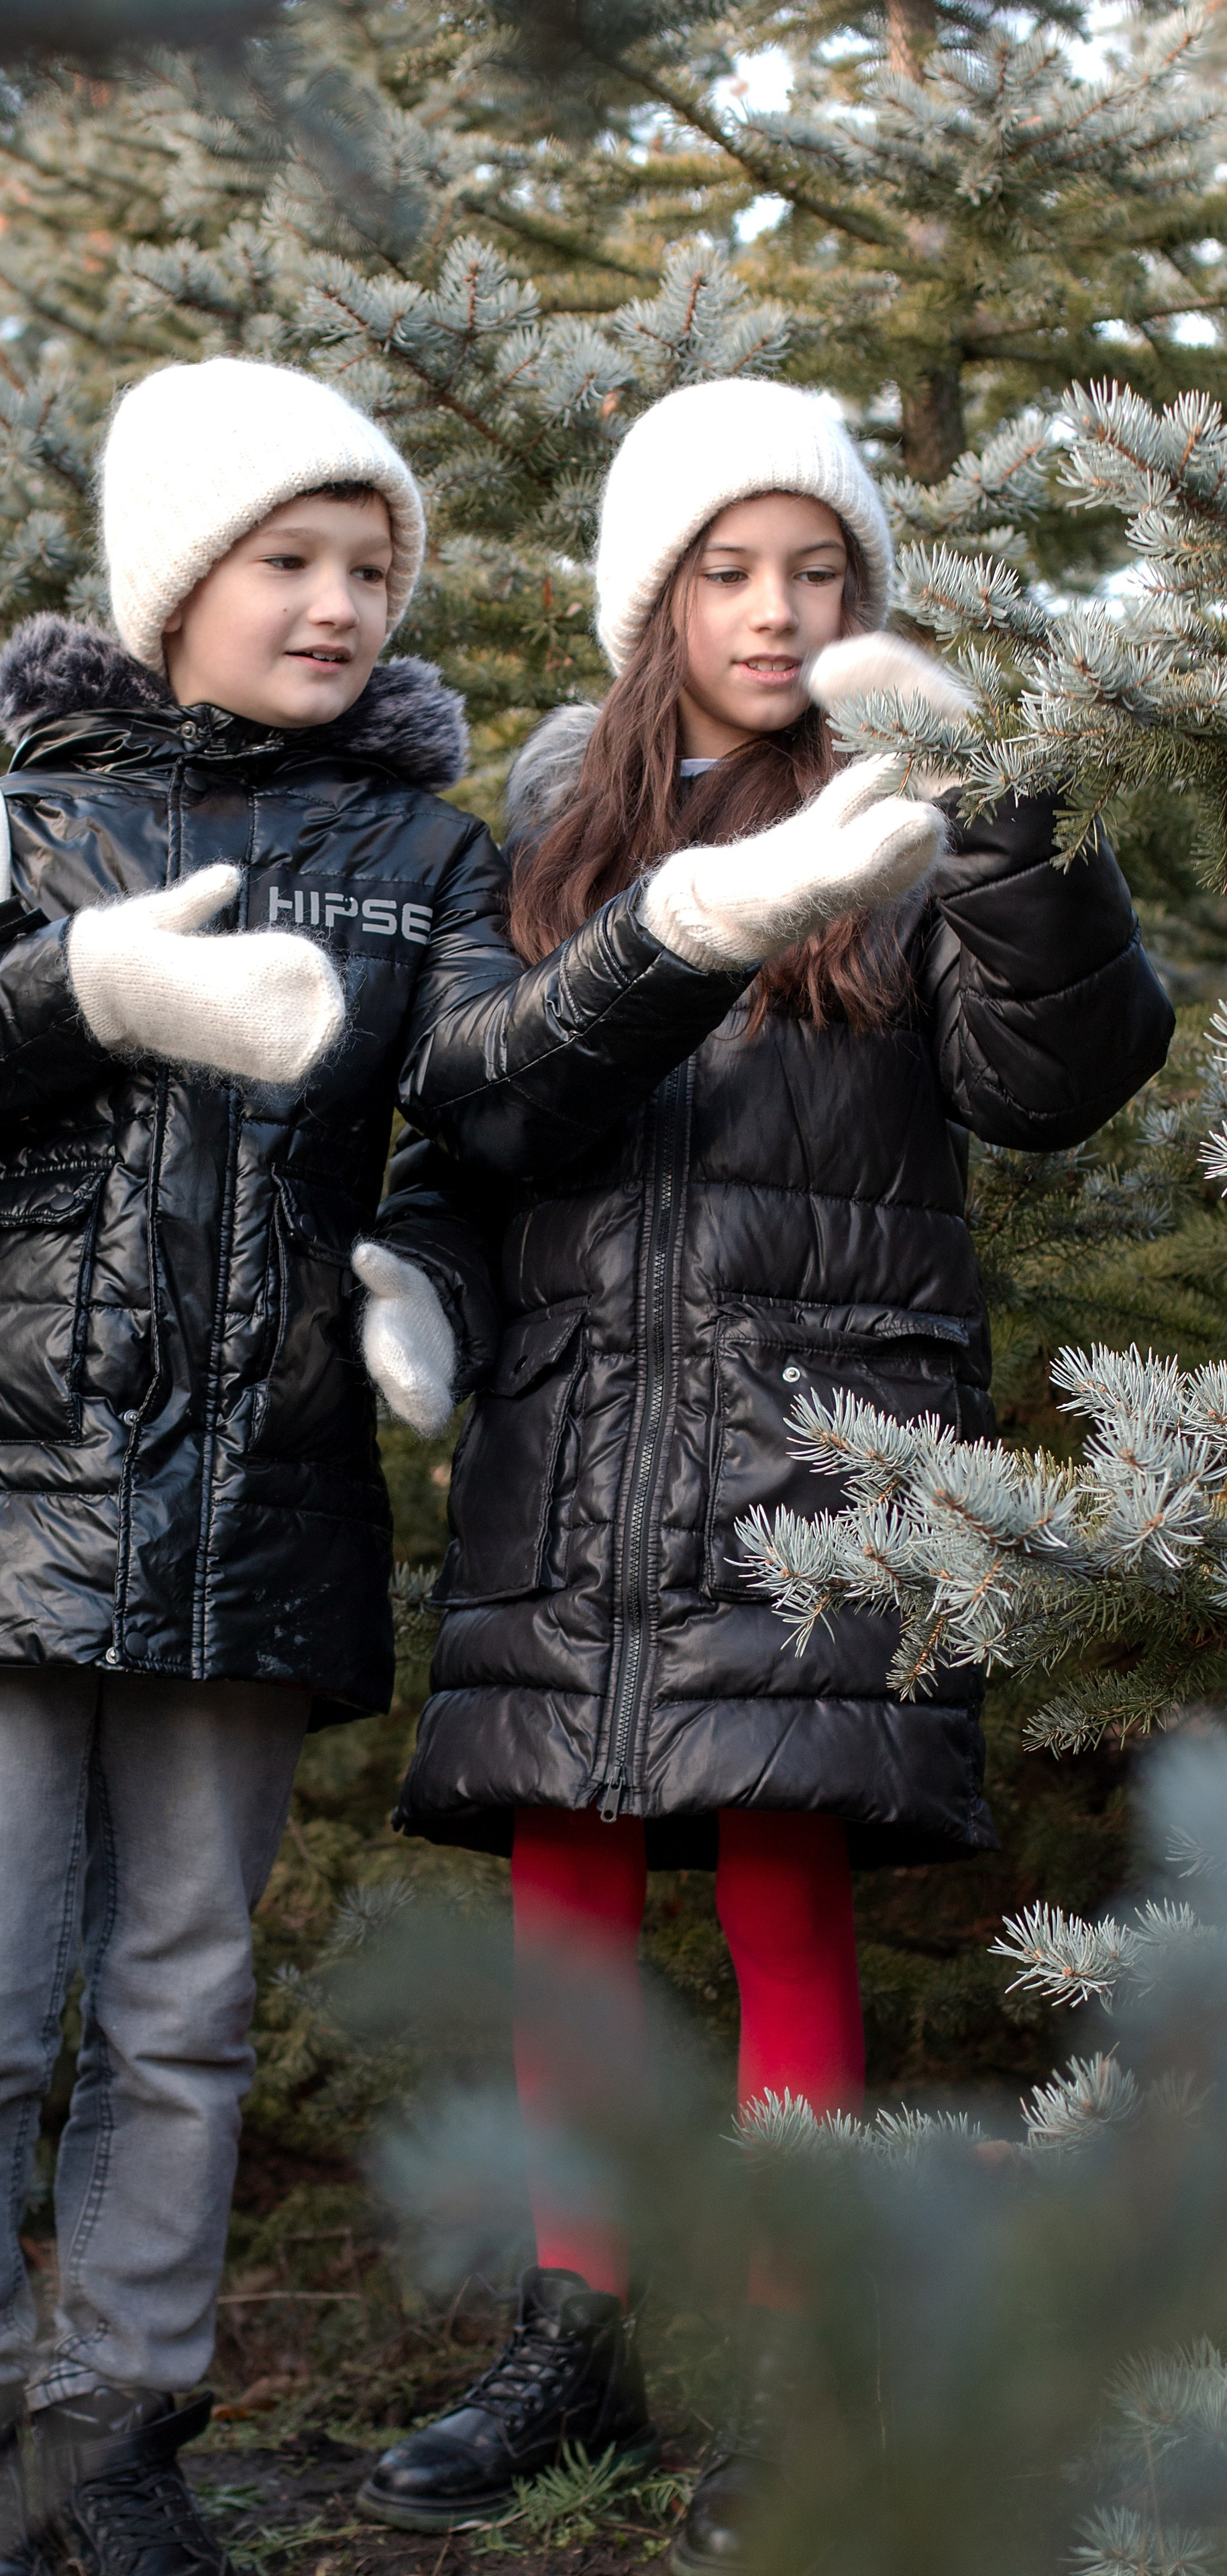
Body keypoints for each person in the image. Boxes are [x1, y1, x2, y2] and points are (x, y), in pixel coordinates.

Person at [0, 358, 936, 2576]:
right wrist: (82, 989)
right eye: (288, 562)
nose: (335, 606)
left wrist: (410, 1269)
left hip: (260, 1510)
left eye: (370, 569)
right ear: (181, 578)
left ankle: (117, 2438)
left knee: (186, 2002)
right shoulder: (2, 836)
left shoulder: (419, 857)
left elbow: (475, 1118)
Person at [356, 376, 1175, 2559]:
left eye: (819, 573)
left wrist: (1009, 822)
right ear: (653, 601)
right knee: (572, 1905)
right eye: (729, 572)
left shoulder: (914, 823)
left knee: (784, 1876)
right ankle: (572, 2334)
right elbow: (483, 1105)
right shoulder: (537, 829)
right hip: (581, 1444)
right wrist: (677, 931)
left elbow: (1051, 1084)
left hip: (819, 1444)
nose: (778, 612)